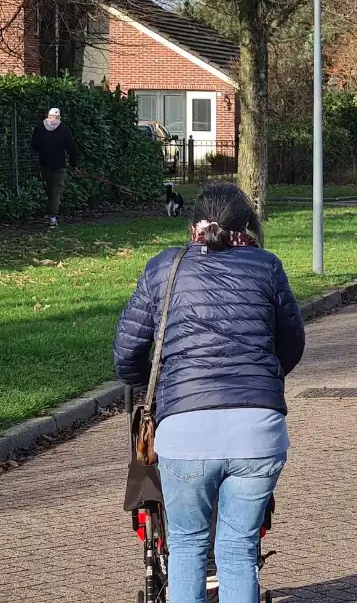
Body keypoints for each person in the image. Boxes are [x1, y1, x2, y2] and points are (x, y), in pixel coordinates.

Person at [113, 184, 305, 603]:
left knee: (186, 546)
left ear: (192, 225)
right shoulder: (267, 267)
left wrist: (160, 386)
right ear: (248, 226)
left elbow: (127, 352)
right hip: (258, 431)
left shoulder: (165, 268)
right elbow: (292, 346)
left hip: (185, 432)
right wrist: (262, 380)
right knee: (237, 551)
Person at [29, 107, 78, 228]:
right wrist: (73, 165)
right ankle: (53, 217)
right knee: (57, 191)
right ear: (59, 117)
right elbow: (72, 149)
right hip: (59, 165)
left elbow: (34, 145)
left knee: (49, 189)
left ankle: (51, 212)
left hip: (45, 163)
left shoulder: (40, 128)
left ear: (47, 116)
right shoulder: (64, 129)